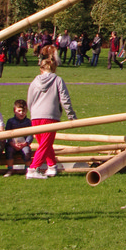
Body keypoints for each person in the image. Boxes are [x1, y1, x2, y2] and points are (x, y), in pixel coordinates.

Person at [26, 45, 77, 179]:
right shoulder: (58, 80)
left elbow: (29, 100)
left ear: (41, 69)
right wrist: (71, 115)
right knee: (45, 144)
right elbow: (65, 99)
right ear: (54, 68)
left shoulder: (34, 81)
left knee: (45, 144)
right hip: (50, 116)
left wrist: (32, 113)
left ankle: (52, 166)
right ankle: (33, 169)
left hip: (35, 116)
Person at [4, 98, 34, 175]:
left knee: (27, 151)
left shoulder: (28, 122)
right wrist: (11, 143)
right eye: (19, 111)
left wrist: (26, 143)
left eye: (23, 111)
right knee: (9, 150)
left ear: (26, 111)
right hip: (12, 144)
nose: (21, 113)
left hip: (24, 144)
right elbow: (7, 134)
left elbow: (30, 134)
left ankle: (27, 169)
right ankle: (10, 169)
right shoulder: (10, 121)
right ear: (14, 111)